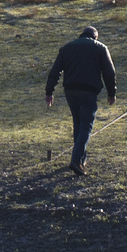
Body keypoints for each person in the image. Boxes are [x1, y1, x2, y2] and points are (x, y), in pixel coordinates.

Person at [45, 25, 116, 175]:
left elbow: (55, 71)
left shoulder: (67, 48)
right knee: (86, 126)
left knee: (78, 123)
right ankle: (76, 161)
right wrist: (112, 92)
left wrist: (49, 91)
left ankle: (81, 159)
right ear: (95, 37)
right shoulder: (101, 48)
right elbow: (109, 73)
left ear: (81, 35)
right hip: (88, 92)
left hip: (70, 92)